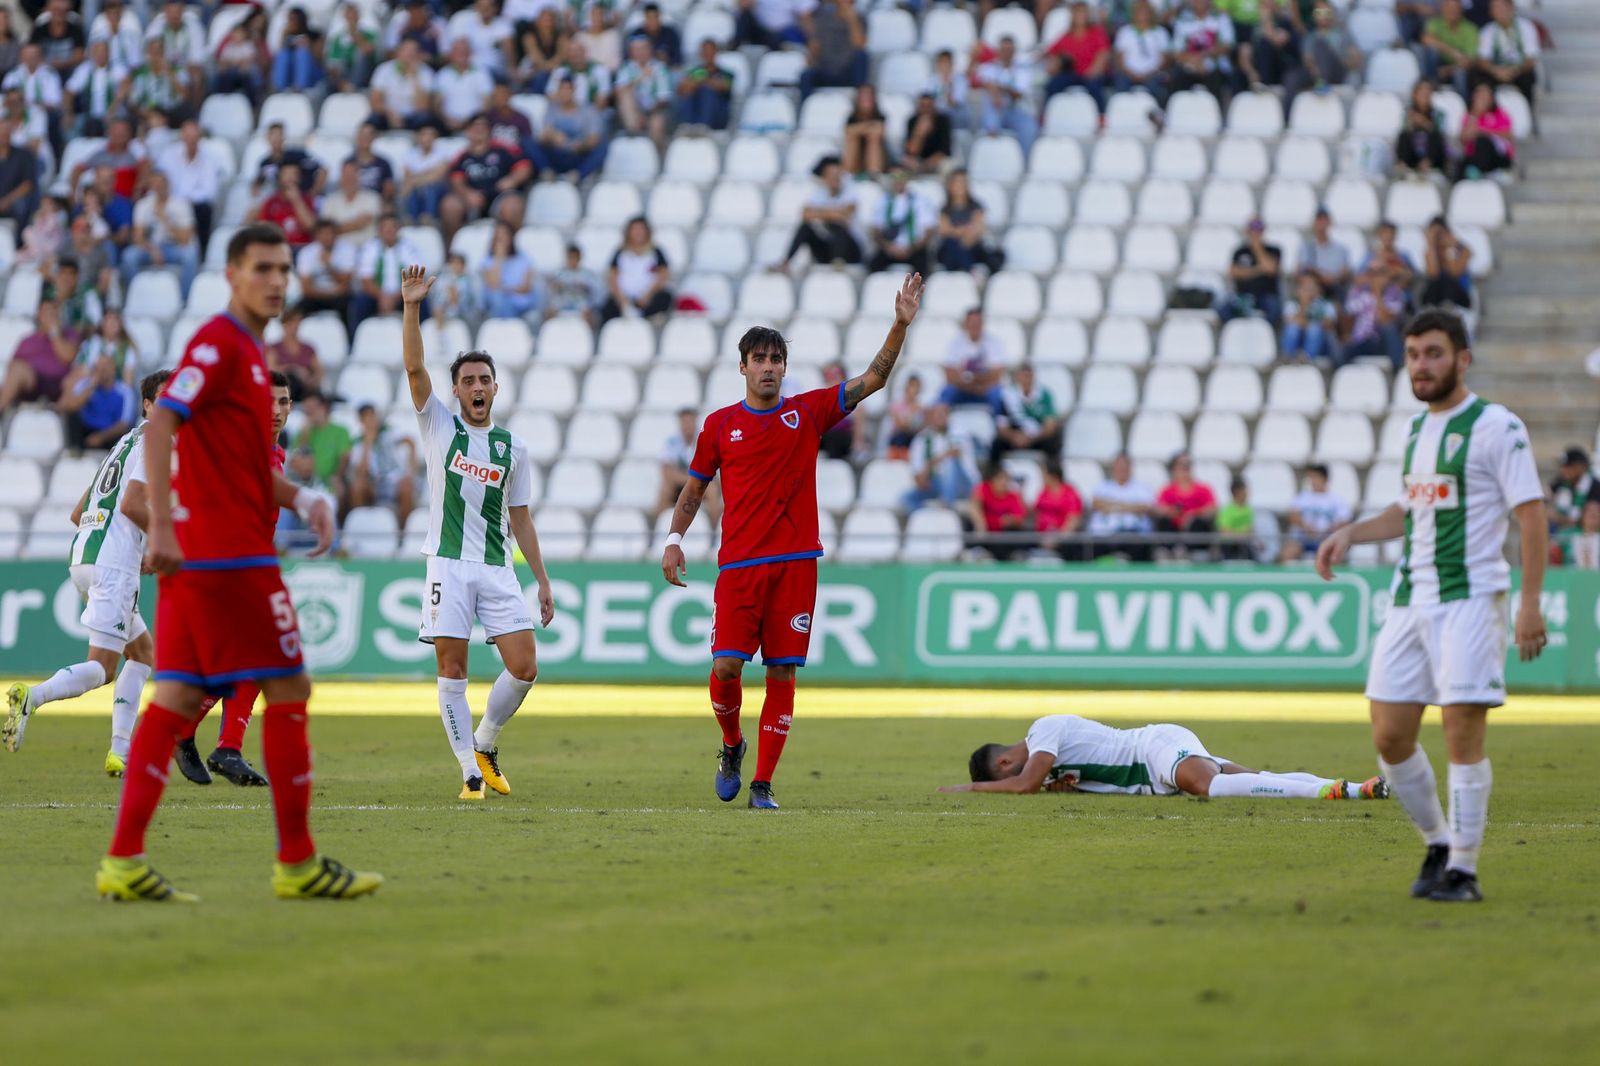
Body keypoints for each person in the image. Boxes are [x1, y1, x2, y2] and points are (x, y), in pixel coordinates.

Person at [78, 223, 377, 903]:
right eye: (263, 267)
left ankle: (122, 860)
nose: (277, 280)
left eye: (284, 269)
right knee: (290, 688)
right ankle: (297, 862)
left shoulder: (247, 354)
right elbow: (161, 424)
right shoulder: (219, 344)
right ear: (234, 274)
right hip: (227, 556)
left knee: (177, 699)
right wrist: (164, 529)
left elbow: (245, 464)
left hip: (207, 556)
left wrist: (302, 495)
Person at [661, 273, 924, 810]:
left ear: (784, 367)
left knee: (782, 670)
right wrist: (673, 539)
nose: (768, 367)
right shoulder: (719, 425)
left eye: (776, 359)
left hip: (797, 562)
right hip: (738, 564)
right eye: (758, 358)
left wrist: (898, 326)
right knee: (726, 667)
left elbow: (872, 379)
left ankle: (762, 784)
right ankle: (732, 744)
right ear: (743, 367)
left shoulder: (805, 412)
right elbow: (693, 489)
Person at [1316, 307, 1549, 903]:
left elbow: (1531, 514)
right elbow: (1408, 511)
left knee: (1460, 732)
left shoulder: (1497, 426)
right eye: (1414, 354)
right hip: (1408, 598)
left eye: (1434, 353)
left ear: (1462, 358)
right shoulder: (1415, 431)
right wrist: (1351, 533)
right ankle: (1439, 842)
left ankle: (1464, 871)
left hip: (1470, 599)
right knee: (1390, 735)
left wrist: (1529, 603)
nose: (1422, 365)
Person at [399, 265, 555, 801]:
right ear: (456, 391)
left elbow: (522, 518)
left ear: (495, 387)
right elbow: (415, 367)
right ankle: (469, 772)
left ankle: (485, 741)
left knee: (525, 666)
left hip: (496, 567)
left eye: (484, 379)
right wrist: (413, 306)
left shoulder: (514, 448)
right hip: (446, 562)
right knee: (453, 668)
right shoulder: (440, 426)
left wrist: (542, 580)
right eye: (467, 380)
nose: (477, 387)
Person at [5, 371, 167, 771]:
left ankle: (120, 751)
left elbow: (80, 512)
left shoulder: (124, 443)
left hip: (85, 556)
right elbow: (131, 506)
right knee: (102, 668)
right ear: (147, 404)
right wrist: (165, 540)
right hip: (113, 567)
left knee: (143, 653)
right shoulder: (156, 442)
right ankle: (34, 697)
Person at [171, 371, 296, 788]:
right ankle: (204, 737)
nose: (276, 411)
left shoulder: (273, 451)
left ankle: (215, 741)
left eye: (284, 403)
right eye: (269, 402)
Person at [942, 714, 1389, 800]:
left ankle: (1327, 795)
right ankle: (1351, 787)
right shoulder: (1055, 768)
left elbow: (1024, 784)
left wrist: (971, 788)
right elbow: (1039, 783)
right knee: (1252, 776)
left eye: (999, 778)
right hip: (1156, 771)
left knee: (1208, 786)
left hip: (1153, 745)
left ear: (1002, 763)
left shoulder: (1045, 729)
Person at [773, 155, 862, 272]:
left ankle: (838, 261)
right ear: (824, 177)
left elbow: (846, 214)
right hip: (828, 249)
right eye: (831, 174)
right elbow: (805, 215)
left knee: (837, 226)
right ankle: (786, 262)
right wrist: (833, 213)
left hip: (850, 250)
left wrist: (820, 213)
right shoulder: (819, 193)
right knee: (806, 227)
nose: (835, 178)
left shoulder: (850, 190)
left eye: (837, 174)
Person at [451, 112, 534, 221]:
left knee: (512, 205)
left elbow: (524, 167)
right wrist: (468, 193)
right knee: (450, 206)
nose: (479, 130)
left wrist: (512, 179)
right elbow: (456, 180)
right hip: (474, 199)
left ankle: (509, 237)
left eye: (483, 126)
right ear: (468, 131)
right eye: (475, 127)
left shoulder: (504, 149)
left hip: (500, 196)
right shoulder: (462, 157)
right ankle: (453, 238)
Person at [349, 401, 420, 527]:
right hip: (375, 482)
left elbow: (410, 442)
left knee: (406, 486)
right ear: (361, 421)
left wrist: (411, 472)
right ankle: (360, 526)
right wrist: (368, 442)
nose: (372, 420)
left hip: (395, 480)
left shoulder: (389, 432)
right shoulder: (358, 443)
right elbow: (361, 472)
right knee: (358, 486)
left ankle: (404, 531)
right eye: (367, 417)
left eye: (373, 416)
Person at [0, 301, 79, 414]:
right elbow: (12, 368)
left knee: (18, 370)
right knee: (16, 371)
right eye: (47, 312)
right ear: (39, 315)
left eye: (53, 312)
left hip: (57, 386)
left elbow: (68, 357)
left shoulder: (69, 334)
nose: (51, 316)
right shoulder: (27, 340)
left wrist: (54, 333)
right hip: (29, 385)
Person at [158, 118, 223, 252]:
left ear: (199, 138)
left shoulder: (209, 160)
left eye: (194, 138)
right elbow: (160, 181)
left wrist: (185, 200)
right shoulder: (168, 155)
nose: (190, 141)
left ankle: (201, 252)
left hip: (194, 205)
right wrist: (177, 201)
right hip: (170, 201)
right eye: (187, 137)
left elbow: (210, 193)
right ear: (182, 136)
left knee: (204, 209)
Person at [351, 213, 423, 331]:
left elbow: (415, 279)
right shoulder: (369, 248)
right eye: (385, 227)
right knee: (360, 302)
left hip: (403, 295)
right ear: (379, 230)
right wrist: (382, 296)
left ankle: (421, 338)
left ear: (398, 229)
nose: (389, 231)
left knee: (421, 302)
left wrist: (397, 296)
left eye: (392, 227)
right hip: (376, 295)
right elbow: (366, 280)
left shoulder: (409, 248)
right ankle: (355, 338)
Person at [530, 77, 608, 180]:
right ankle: (547, 172)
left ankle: (578, 175)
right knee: (528, 141)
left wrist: (582, 145)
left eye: (568, 89)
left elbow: (594, 137)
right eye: (562, 89)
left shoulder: (588, 110)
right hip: (557, 153)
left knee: (603, 145)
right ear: (558, 91)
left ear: (574, 90)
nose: (564, 93)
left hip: (578, 154)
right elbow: (544, 135)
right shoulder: (552, 109)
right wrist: (552, 136)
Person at [903, 404, 977, 512]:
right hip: (936, 483)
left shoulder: (959, 433)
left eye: (943, 414)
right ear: (931, 417)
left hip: (964, 483)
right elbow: (918, 474)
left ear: (948, 416)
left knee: (949, 465)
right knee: (906, 499)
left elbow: (955, 455)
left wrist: (932, 463)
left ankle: (947, 508)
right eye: (937, 415)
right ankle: (929, 517)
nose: (940, 418)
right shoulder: (922, 439)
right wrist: (924, 475)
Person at [288, 390, 352, 514]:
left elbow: (344, 457)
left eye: (312, 409)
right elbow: (295, 461)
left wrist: (337, 476)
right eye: (306, 411)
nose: (309, 414)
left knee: (339, 488)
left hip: (329, 480)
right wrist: (305, 436)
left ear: (323, 408)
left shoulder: (340, 430)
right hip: (306, 482)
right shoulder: (302, 433)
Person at [600, 217, 672, 324]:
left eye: (641, 229)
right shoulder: (620, 252)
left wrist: (648, 296)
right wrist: (622, 301)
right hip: (624, 298)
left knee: (665, 298)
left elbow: (663, 275)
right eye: (634, 229)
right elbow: (612, 276)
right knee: (607, 308)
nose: (638, 233)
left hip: (647, 298)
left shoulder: (655, 252)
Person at [1087, 452, 1157, 561]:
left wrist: (1112, 506)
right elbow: (1097, 503)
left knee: (1140, 547)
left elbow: (1146, 507)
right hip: (1105, 535)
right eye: (1118, 466)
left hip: (1133, 535)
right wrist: (1130, 507)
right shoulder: (1103, 486)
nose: (1121, 469)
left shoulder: (1142, 488)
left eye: (1124, 466)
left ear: (1130, 468)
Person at [976, 37, 1039, 154]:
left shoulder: (1022, 70)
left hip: (1014, 110)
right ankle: (992, 152)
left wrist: (999, 88)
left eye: (1009, 50)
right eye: (1004, 50)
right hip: (996, 109)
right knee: (990, 107)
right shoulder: (988, 67)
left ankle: (1023, 160)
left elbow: (1018, 94)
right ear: (998, 51)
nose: (1006, 53)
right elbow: (982, 83)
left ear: (1014, 52)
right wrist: (996, 93)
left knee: (1029, 125)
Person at [1045, 2, 1112, 112]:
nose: (1081, 16)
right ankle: (1047, 114)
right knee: (1054, 84)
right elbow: (1051, 52)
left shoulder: (1096, 32)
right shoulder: (1067, 35)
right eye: (1078, 13)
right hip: (1074, 73)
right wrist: (1053, 63)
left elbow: (1103, 53)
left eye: (1083, 13)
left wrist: (1094, 70)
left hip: (1093, 73)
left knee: (1094, 86)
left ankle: (1101, 116)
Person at [935, 168, 1004, 274]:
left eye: (963, 182)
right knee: (951, 245)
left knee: (956, 248)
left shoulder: (976, 206)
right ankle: (969, 271)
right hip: (951, 248)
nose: (960, 186)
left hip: (970, 247)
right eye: (957, 182)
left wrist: (957, 232)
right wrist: (964, 230)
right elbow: (944, 231)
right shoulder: (945, 208)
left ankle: (964, 270)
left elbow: (977, 230)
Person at [1279, 462, 1352, 561]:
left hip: (1327, 539)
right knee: (1287, 553)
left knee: (1335, 556)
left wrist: (1328, 530)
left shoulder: (1337, 500)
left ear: (1325, 479)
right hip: (1303, 539)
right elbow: (1293, 516)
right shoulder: (1303, 497)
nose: (1312, 481)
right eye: (1311, 478)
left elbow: (1344, 522)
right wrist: (1306, 527)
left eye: (1315, 477)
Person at [1470, 0, 1538, 106]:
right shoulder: (1488, 30)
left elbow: (1531, 59)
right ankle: (1487, 111)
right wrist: (1496, 71)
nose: (1498, 11)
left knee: (1528, 77)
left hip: (1518, 70)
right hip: (1496, 71)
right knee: (1477, 75)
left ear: (1511, 7)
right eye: (1495, 8)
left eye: (1501, 7)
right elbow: (1482, 59)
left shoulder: (1526, 27)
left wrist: (1515, 70)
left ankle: (1527, 109)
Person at [941, 308, 1007, 415]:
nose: (974, 326)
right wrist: (978, 381)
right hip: (962, 390)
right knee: (946, 394)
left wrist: (968, 378)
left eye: (977, 322)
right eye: (972, 322)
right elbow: (950, 375)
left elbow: (997, 375)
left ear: (982, 324)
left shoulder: (994, 342)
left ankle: (999, 428)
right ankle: (941, 428)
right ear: (966, 324)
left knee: (998, 396)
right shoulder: (955, 343)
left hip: (985, 390)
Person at [867, 169, 934, 275]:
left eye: (901, 178)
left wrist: (912, 248)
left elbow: (928, 230)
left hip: (913, 249)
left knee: (924, 266)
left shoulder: (919, 200)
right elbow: (876, 230)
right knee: (873, 265)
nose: (898, 182)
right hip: (889, 248)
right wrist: (888, 247)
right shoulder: (883, 200)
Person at [1170, 0, 1236, 106]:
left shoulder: (1221, 18)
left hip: (1216, 68)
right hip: (1190, 67)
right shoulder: (1182, 20)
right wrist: (1193, 61)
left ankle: (1218, 116)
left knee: (1217, 79)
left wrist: (1203, 56)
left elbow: (1227, 46)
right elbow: (1176, 52)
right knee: (1177, 78)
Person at [1339, 265, 1407, 367]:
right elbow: (1347, 314)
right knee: (1345, 349)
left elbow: (1384, 320)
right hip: (1361, 341)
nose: (1375, 277)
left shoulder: (1394, 294)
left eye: (1380, 273)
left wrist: (1377, 292)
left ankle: (1397, 371)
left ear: (1387, 276)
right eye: (1372, 273)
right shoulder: (1359, 292)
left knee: (1389, 329)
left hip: (1381, 342)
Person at [615, 34, 674, 150]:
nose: (640, 52)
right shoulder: (625, 68)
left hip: (655, 111)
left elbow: (663, 99)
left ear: (650, 49)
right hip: (633, 112)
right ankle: (634, 134)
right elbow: (618, 92)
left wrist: (646, 115)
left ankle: (653, 158)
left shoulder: (660, 68)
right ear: (631, 52)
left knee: (656, 123)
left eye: (643, 48)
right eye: (636, 49)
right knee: (625, 95)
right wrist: (639, 78)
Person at [799, 0, 867, 100]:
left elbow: (859, 45)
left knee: (862, 56)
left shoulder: (860, 19)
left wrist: (852, 21)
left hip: (847, 71)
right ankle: (804, 110)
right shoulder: (823, 19)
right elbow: (814, 47)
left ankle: (858, 102)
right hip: (826, 69)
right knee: (806, 76)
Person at [1221, 218, 1283, 325]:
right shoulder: (1240, 251)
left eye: (1258, 230)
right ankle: (1235, 331)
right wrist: (1259, 269)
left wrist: (1257, 248)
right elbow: (1234, 272)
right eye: (1252, 230)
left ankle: (1264, 334)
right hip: (1243, 295)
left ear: (1263, 231)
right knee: (1222, 308)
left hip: (1266, 295)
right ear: (1247, 231)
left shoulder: (1273, 250)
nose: (1255, 233)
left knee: (1275, 308)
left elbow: (1271, 269)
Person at [295, 220, 357, 326]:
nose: (327, 237)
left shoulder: (347, 249)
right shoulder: (306, 252)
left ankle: (349, 339)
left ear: (336, 235)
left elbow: (346, 284)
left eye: (330, 233)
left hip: (339, 296)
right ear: (316, 236)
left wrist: (329, 266)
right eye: (323, 234)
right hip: (317, 296)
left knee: (350, 306)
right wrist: (328, 293)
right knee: (299, 308)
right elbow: (306, 288)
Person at [1154, 452, 1218, 554]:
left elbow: (1213, 509)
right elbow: (1159, 509)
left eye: (1187, 465)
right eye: (1181, 465)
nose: (1185, 469)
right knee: (1164, 522)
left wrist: (1193, 514)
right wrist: (1171, 512)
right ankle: (1169, 551)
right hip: (1174, 529)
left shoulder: (1203, 489)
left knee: (1198, 523)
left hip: (1194, 531)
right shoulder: (1167, 490)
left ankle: (1193, 552)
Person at [994, 364, 1062, 458]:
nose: (1026, 379)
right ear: (1017, 377)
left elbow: (1049, 425)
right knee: (997, 444)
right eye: (1023, 376)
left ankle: (1051, 470)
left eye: (1028, 376)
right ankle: (996, 471)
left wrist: (1031, 438)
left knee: (1053, 441)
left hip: (1037, 437)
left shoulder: (1044, 394)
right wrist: (1014, 437)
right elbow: (1002, 426)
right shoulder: (1007, 396)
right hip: (1016, 435)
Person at [481, 221, 543, 323]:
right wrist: (499, 258)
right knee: (497, 298)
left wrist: (505, 289)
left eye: (504, 235)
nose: (501, 239)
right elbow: (492, 285)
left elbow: (526, 288)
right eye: (498, 236)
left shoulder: (524, 258)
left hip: (521, 301)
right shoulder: (488, 260)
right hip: (499, 302)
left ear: (511, 237)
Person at [370, 38, 438, 130]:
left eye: (413, 51)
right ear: (398, 52)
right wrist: (390, 114)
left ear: (418, 54)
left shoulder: (426, 72)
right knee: (372, 121)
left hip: (413, 117)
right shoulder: (383, 69)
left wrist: (414, 77)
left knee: (425, 119)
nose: (410, 54)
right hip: (388, 114)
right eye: (406, 50)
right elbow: (375, 102)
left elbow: (422, 107)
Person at [1113, 0, 1173, 102]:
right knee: (1120, 84)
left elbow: (1165, 59)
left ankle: (1158, 115)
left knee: (1159, 89)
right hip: (1128, 74)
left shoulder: (1160, 32)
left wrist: (1149, 74)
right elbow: (1119, 58)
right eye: (1139, 12)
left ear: (1151, 14)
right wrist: (1131, 74)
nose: (1143, 15)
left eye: (1146, 12)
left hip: (1153, 74)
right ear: (1134, 14)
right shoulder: (1125, 32)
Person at [969, 464, 1030, 561]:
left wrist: (1011, 520)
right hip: (986, 533)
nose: (1004, 483)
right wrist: (980, 523)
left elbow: (1019, 517)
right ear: (993, 480)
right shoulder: (984, 489)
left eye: (1007, 480)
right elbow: (973, 506)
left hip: (1003, 535)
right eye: (1001, 479)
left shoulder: (1013, 496)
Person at [250, 162, 317, 248]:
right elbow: (263, 227)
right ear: (279, 178)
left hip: (303, 247)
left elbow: (311, 227)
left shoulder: (307, 199)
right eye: (287, 174)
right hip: (278, 247)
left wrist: (296, 200)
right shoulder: (271, 201)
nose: (291, 178)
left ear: (300, 178)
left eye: (294, 174)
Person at [436, 37, 496, 131]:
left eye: (464, 51)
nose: (461, 54)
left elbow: (487, 102)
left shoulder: (481, 73)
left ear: (470, 53)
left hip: (476, 125)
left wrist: (471, 121)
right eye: (458, 51)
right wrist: (447, 120)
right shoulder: (442, 75)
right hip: (448, 125)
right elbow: (437, 104)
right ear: (451, 53)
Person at [675, 38, 735, 130]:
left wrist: (700, 81)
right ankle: (686, 126)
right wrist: (698, 83)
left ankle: (704, 126)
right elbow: (682, 89)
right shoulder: (693, 71)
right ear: (701, 54)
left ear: (716, 52)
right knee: (689, 93)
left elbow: (725, 86)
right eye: (705, 51)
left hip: (718, 116)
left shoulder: (726, 73)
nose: (707, 54)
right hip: (695, 113)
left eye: (710, 50)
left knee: (707, 91)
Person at [401, 123, 455, 224]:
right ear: (418, 137)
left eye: (431, 135)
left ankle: (428, 218)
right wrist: (428, 173)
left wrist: (417, 177)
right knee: (411, 190)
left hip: (437, 190)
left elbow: (437, 176)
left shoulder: (443, 153)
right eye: (424, 134)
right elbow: (407, 178)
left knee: (429, 188)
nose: (428, 138)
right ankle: (411, 220)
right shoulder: (410, 154)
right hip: (417, 190)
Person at [1459, 80, 1514, 178]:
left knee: (1483, 141)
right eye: (1479, 95)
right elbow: (1463, 139)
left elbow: (1507, 135)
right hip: (1474, 156)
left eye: (1485, 95)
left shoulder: (1500, 114)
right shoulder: (1470, 116)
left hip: (1497, 155)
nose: (1482, 98)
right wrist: (1476, 114)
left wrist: (1483, 131)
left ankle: (1478, 172)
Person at [267, 305, 325, 397]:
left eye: (297, 322)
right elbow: (271, 371)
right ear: (283, 324)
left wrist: (311, 380)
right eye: (291, 322)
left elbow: (319, 372)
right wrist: (294, 369)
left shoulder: (308, 348)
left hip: (305, 390)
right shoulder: (274, 348)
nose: (294, 325)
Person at [1421, 0, 1478, 94]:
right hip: (1436, 67)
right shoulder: (1435, 23)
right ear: (1442, 9)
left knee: (1461, 74)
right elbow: (1426, 39)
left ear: (1461, 10)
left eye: (1456, 9)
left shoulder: (1470, 29)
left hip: (1457, 69)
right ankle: (1430, 85)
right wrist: (1453, 52)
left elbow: (1469, 61)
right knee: (1429, 51)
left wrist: (1449, 70)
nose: (1452, 11)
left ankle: (1463, 102)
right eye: (1449, 8)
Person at [323, 160, 383, 246]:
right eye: (346, 175)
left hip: (366, 247)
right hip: (338, 249)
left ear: (359, 176)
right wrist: (355, 223)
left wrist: (336, 229)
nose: (349, 178)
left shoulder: (372, 197)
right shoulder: (330, 200)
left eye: (352, 174)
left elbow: (362, 223)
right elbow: (326, 228)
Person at [1034, 459, 1086, 560]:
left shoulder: (1070, 492)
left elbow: (1073, 521)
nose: (1041, 477)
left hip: (1063, 540)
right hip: (1042, 538)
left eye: (1044, 474)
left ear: (1053, 475)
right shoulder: (1043, 492)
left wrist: (1056, 539)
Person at [1547, 446, 1591, 563]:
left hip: (1583, 537)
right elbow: (1545, 499)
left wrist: (1560, 518)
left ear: (1581, 467)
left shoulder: (1595, 487)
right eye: (1563, 466)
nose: (1563, 470)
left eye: (1568, 466)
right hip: (1559, 535)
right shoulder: (1561, 483)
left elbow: (1589, 519)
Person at [1421, 217, 1474, 310]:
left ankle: (1447, 307)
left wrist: (1450, 248)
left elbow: (1453, 273)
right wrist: (1431, 245)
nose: (1438, 238)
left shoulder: (1463, 250)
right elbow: (1433, 274)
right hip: (1436, 295)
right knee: (1433, 284)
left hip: (1458, 295)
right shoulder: (1431, 252)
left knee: (1448, 281)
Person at [1397, 80, 1449, 175]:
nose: (1425, 96)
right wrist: (1411, 123)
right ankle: (1402, 167)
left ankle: (1425, 166)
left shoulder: (1438, 114)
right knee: (1403, 135)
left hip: (1431, 156)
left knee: (1435, 135)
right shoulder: (1408, 113)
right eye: (1422, 92)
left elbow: (1441, 134)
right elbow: (1404, 129)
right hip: (1413, 153)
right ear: (1415, 95)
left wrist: (1425, 123)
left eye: (1427, 93)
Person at [0, 111, 40, 229]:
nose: (3, 136)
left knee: (20, 205)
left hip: (12, 202)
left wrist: (5, 202)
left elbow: (27, 185)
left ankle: (19, 243)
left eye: (6, 133)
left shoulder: (23, 154)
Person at [547, 243, 604, 325]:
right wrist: (558, 286)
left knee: (589, 314)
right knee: (550, 312)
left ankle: (587, 336)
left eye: (575, 258)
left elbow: (594, 292)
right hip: (563, 301)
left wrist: (582, 287)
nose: (572, 261)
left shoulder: (587, 274)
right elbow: (552, 288)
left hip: (580, 302)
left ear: (579, 258)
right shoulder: (559, 273)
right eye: (570, 258)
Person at [1300, 207, 1351, 298]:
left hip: (1335, 293)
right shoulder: (1306, 248)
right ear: (1314, 223)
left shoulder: (1341, 249)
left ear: (1329, 222)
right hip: (1314, 293)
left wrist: (1330, 278)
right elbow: (1300, 273)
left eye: (1324, 220)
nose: (1321, 224)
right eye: (1319, 220)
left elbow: (1345, 273)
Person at [841, 83, 889, 178]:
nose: (866, 99)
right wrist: (869, 126)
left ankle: (873, 174)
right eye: (863, 95)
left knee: (873, 138)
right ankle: (849, 174)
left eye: (869, 95)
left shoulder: (880, 116)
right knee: (852, 139)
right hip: (857, 158)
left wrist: (859, 129)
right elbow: (848, 132)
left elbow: (880, 131)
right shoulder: (851, 117)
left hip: (879, 157)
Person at [430, 251, 487, 329]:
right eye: (453, 263)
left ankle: (451, 312)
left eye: (458, 263)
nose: (455, 266)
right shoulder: (443, 278)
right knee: (439, 304)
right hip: (444, 307)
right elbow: (436, 295)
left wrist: (454, 293)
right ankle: (441, 331)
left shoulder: (470, 280)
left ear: (463, 265)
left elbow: (473, 301)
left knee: (453, 290)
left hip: (464, 311)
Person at [903, 93, 953, 175]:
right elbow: (910, 152)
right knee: (906, 163)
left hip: (938, 161)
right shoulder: (912, 121)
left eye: (928, 106)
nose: (926, 109)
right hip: (918, 161)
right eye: (923, 106)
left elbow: (944, 150)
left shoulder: (943, 121)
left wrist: (926, 164)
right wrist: (919, 133)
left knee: (947, 165)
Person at [1216, 476, 1256, 560]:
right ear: (1237, 491)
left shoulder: (1248, 509)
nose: (1247, 492)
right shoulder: (1226, 510)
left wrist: (1237, 534)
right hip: (1230, 546)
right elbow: (1224, 532)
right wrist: (1240, 535)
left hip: (1244, 544)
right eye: (1244, 489)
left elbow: (1250, 531)